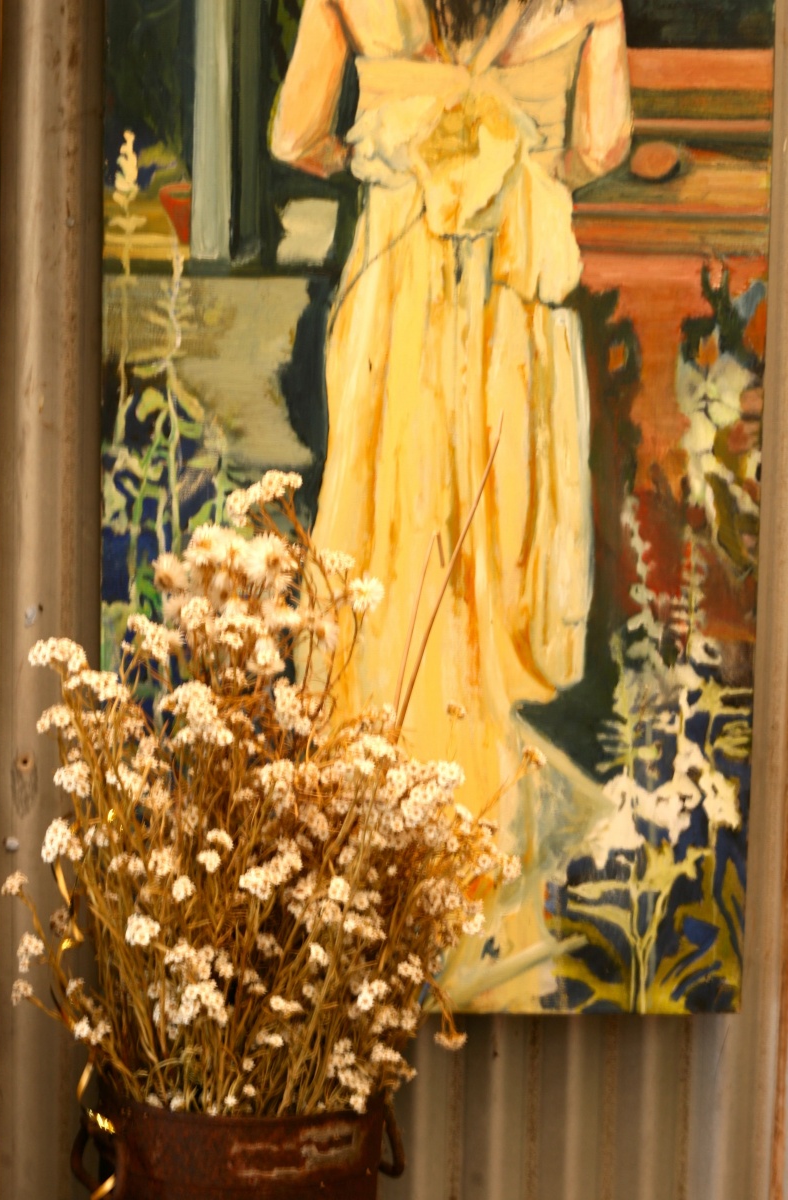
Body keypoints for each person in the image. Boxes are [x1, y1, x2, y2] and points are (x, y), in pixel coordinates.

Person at [272, 0, 632, 1008]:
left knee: (388, 529)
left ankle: (383, 842)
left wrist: (388, 157)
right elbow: (604, 143)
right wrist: (525, 159)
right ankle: (471, 834)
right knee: (494, 531)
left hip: (394, 290)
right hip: (510, 294)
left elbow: (293, 136)